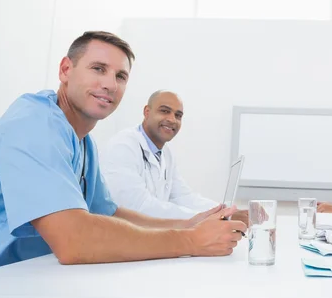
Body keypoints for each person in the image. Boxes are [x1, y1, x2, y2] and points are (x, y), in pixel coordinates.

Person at [0, 31, 245, 272]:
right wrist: (192, 240)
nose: (110, 84)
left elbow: (109, 213)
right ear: (65, 70)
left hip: (26, 277)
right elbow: (75, 240)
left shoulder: (83, 142)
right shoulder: (34, 125)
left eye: (120, 76)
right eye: (98, 69)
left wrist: (190, 224)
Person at [100, 90, 248, 223]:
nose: (172, 120)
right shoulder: (123, 145)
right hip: (122, 240)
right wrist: (207, 218)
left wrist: (225, 211)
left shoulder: (166, 154)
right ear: (147, 112)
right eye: (165, 111)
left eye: (178, 115)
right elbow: (138, 206)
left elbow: (182, 197)